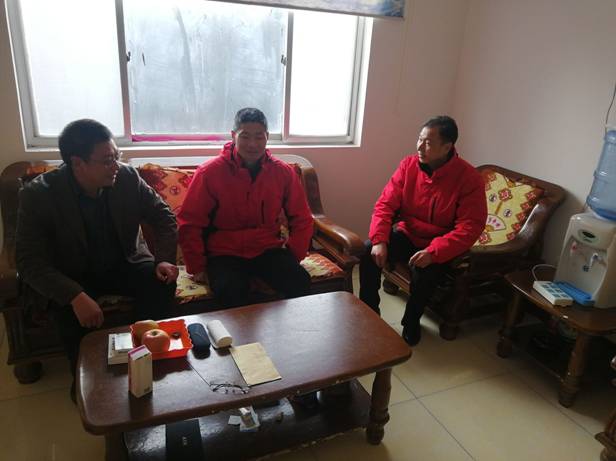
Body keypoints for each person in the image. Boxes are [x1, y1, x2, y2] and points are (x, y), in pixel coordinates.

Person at [16, 119, 179, 401]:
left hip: (124, 263)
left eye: (117, 156)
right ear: (77, 163)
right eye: (107, 160)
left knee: (161, 283)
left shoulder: (127, 178)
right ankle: (86, 381)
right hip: (73, 275)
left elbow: (164, 217)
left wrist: (163, 259)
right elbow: (28, 260)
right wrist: (74, 295)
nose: (116, 165)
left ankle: (146, 360)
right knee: (67, 310)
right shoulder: (39, 195)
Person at [359, 115, 487, 346]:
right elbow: (385, 204)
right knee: (369, 251)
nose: (420, 147)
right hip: (408, 234)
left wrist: (434, 252)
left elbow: (470, 226)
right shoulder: (408, 166)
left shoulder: (469, 178)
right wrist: (379, 240)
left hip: (440, 244)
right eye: (419, 139)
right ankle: (369, 313)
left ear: (447, 147)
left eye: (428, 143)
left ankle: (411, 322)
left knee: (425, 273)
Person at [177, 107, 313, 308]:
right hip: (224, 253)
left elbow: (302, 218)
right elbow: (190, 222)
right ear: (233, 136)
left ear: (267, 137)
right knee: (230, 291)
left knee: (299, 281)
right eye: (245, 136)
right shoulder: (209, 173)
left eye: (259, 137)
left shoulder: (282, 173)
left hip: (267, 248)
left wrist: (295, 255)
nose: (252, 144)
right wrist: (196, 266)